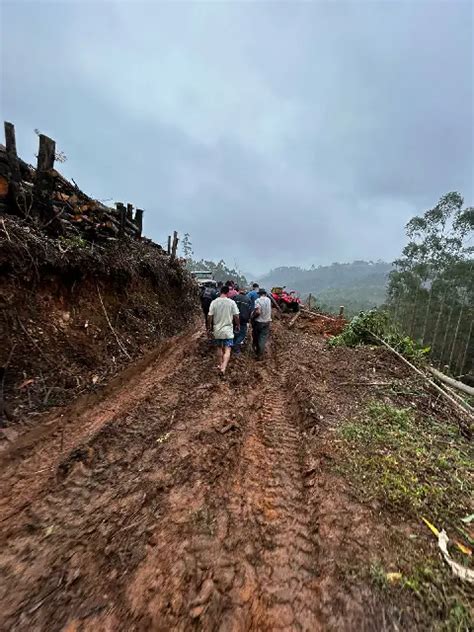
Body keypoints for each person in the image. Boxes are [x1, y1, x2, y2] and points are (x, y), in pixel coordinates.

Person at [208, 285, 240, 376]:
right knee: (228, 349)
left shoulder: (214, 302)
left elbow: (209, 316)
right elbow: (236, 316)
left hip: (217, 330)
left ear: (220, 292)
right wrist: (237, 325)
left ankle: (220, 364)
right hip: (228, 330)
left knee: (219, 347)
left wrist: (209, 327)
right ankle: (224, 367)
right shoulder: (231, 302)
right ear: (228, 293)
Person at [252, 288, 272, 359]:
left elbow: (258, 312)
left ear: (259, 294)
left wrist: (253, 317)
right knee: (263, 338)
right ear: (265, 294)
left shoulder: (258, 300)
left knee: (257, 337)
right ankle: (260, 353)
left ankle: (258, 352)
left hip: (259, 322)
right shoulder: (269, 300)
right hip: (267, 321)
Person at [232, 287, 252, 352]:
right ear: (245, 292)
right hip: (244, 319)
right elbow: (250, 310)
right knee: (242, 334)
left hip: (235, 318)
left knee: (234, 331)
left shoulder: (235, 297)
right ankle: (236, 345)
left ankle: (233, 345)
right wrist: (249, 318)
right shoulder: (248, 299)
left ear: (240, 291)